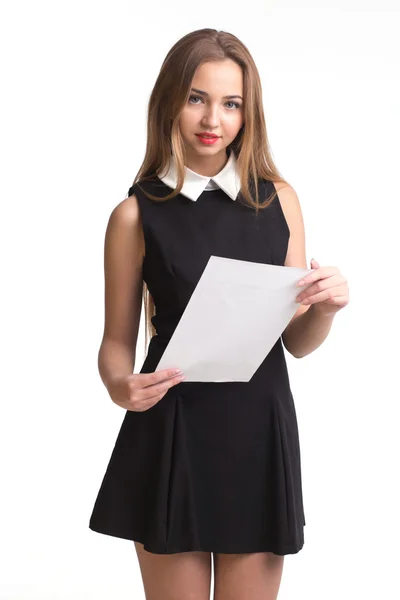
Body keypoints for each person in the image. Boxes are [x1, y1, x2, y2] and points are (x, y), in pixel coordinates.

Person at [89, 28, 350, 600]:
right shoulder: (134, 215)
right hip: (171, 426)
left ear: (247, 113)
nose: (214, 119)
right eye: (196, 98)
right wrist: (120, 386)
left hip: (257, 427)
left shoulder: (279, 200)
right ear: (169, 103)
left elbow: (297, 342)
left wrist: (325, 309)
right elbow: (116, 341)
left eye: (231, 103)